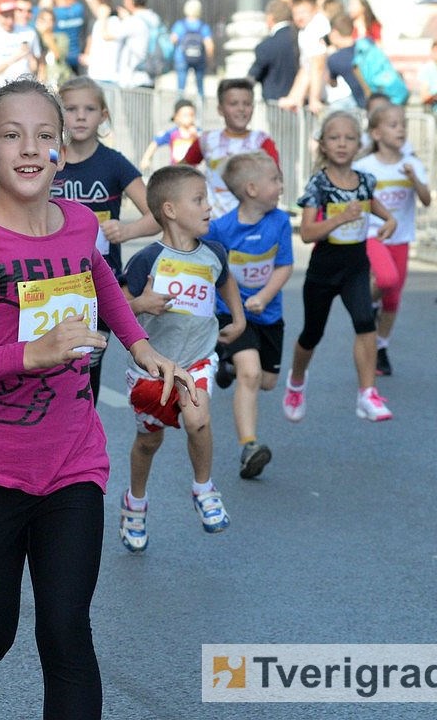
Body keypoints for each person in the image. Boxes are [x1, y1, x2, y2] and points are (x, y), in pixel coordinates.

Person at [0, 76, 192, 719]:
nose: (30, 148)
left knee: (67, 633)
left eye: (45, 135)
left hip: (72, 463)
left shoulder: (76, 224)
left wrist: (139, 345)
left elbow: (100, 276)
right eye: (12, 136)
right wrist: (29, 354)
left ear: (62, 150)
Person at [119, 164, 244, 553]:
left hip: (198, 360)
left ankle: (203, 487)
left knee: (198, 418)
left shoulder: (214, 254)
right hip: (153, 367)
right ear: (170, 210)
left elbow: (226, 281)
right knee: (147, 443)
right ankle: (135, 503)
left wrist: (238, 319)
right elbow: (119, 306)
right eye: (200, 200)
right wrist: (142, 303)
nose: (209, 207)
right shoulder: (146, 260)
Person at [282, 111, 397, 424]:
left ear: (359, 144)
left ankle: (367, 394)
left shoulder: (365, 181)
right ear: (322, 145)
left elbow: (372, 203)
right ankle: (296, 381)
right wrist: (338, 219)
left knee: (365, 321)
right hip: (323, 270)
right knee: (312, 333)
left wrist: (389, 220)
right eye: (334, 138)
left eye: (349, 138)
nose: (342, 144)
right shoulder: (318, 185)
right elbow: (306, 234)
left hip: (356, 267)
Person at [51, 76, 156, 401]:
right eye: (70, 109)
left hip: (100, 280)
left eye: (89, 109)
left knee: (86, 369)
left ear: (103, 115)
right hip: (51, 278)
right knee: (54, 366)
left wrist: (126, 230)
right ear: (57, 115)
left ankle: (82, 437)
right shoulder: (48, 158)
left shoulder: (113, 163)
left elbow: (158, 214)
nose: (80, 116)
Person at [203, 152, 293, 479]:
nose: (281, 186)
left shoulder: (281, 221)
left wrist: (264, 296)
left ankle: (226, 365)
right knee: (251, 374)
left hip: (269, 314)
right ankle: (250, 446)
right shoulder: (221, 230)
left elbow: (284, 265)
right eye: (275, 180)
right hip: (232, 313)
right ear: (252, 189)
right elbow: (198, 256)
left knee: (267, 382)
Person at [355, 104, 431, 378]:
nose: (400, 129)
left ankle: (380, 346)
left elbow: (426, 200)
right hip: (372, 234)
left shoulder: (412, 164)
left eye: (402, 124)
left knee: (393, 297)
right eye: (392, 125)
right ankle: (365, 305)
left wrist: (414, 179)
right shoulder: (363, 167)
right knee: (386, 281)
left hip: (401, 237)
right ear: (376, 133)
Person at [181, 78, 279, 218]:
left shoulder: (262, 142)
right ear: (220, 109)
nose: (241, 109)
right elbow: (181, 171)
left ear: (253, 107)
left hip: (252, 224)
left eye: (247, 104)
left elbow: (275, 179)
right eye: (233, 104)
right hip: (213, 224)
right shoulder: (206, 140)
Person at [249, 0, 299, 102]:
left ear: (270, 17)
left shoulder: (266, 45)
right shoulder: (301, 38)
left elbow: (253, 76)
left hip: (277, 104)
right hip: (301, 103)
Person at [170, 0, 214, 95]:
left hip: (181, 58)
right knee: (200, 87)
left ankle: (180, 107)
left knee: (181, 88)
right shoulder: (203, 26)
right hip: (199, 59)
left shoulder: (180, 25)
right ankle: (200, 107)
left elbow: (172, 40)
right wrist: (210, 61)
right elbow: (209, 45)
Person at [141, 98, 199, 171]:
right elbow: (155, 143)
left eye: (192, 115)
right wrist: (146, 158)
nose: (189, 118)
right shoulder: (172, 133)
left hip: (192, 171)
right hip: (175, 170)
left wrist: (196, 136)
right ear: (176, 117)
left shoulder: (197, 132)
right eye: (185, 115)